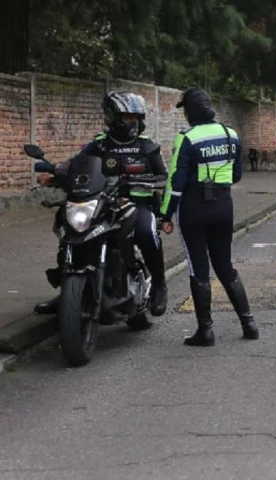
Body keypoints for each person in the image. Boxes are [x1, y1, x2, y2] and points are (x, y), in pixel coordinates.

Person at [34, 91, 168, 325]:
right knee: (70, 232)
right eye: (127, 117)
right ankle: (68, 292)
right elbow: (75, 164)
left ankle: (159, 285)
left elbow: (163, 176)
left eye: (136, 118)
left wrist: (145, 180)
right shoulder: (99, 144)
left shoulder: (147, 146)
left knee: (146, 233)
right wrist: (56, 174)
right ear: (112, 117)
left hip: (137, 204)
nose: (133, 123)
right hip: (102, 202)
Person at [160, 86, 259, 346]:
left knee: (199, 268)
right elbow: (236, 175)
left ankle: (206, 331)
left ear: (190, 112)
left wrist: (165, 215)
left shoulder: (187, 138)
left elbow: (176, 182)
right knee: (224, 265)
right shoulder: (230, 134)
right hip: (223, 206)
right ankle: (249, 323)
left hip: (193, 208)